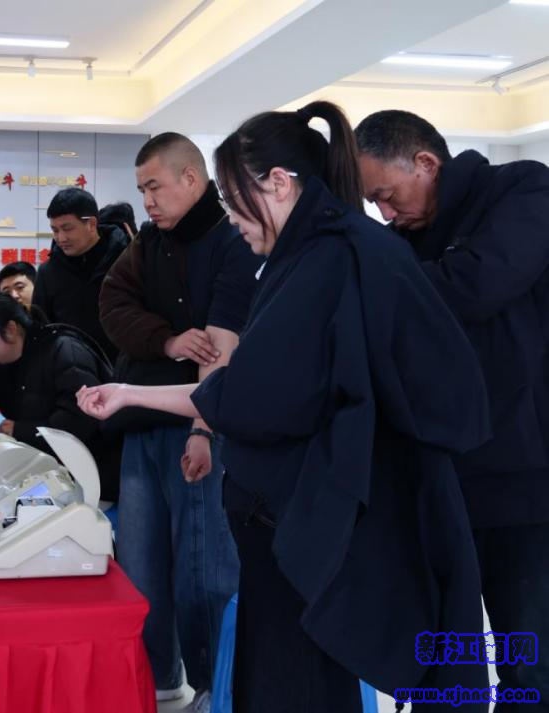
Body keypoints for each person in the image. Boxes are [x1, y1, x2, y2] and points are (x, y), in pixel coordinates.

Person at [80, 102, 491, 712]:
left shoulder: (327, 259)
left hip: (303, 529)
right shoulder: (322, 251)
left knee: (297, 688)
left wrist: (135, 396)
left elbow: (250, 394)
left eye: (232, 198)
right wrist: (132, 394)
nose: (230, 217)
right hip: (299, 527)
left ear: (278, 182)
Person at [355, 109, 549, 708]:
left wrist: (389, 287)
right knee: (444, 663)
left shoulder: (522, 189)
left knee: (528, 657)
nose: (384, 213)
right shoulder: (401, 242)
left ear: (425, 162)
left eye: (387, 195)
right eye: (373, 203)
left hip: (526, 480)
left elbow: (475, 284)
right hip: (441, 477)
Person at [98, 132, 261, 708]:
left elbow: (221, 348)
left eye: (154, 187)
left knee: (204, 570)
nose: (146, 201)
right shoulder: (148, 243)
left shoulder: (232, 240)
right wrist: (165, 340)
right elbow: (113, 306)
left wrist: (202, 430)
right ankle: (158, 682)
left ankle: (215, 687)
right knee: (141, 567)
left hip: (201, 429)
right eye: (141, 189)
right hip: (142, 420)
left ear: (191, 178)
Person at [0, 291, 118, 498]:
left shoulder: (65, 350)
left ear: (11, 329)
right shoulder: (2, 363)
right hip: (41, 469)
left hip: (89, 476)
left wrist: (20, 430)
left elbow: (79, 419)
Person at [34, 188, 130, 363]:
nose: (61, 238)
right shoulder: (48, 273)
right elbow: (41, 330)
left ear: (91, 224)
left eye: (67, 228)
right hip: (72, 370)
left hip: (125, 367)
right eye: (55, 230)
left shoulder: (126, 261)